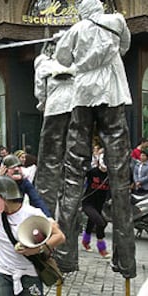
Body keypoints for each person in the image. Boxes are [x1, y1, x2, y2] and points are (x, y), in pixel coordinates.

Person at [54, 0, 136, 276]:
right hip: (113, 94)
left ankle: (65, 256)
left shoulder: (75, 30)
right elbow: (123, 48)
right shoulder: (117, 22)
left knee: (73, 172)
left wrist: (72, 46)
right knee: (121, 178)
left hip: (84, 97)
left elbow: (63, 60)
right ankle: (125, 260)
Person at [0, 176, 65, 295]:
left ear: (5, 198)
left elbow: (59, 236)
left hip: (29, 271)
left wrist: (38, 249)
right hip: (2, 270)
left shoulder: (32, 213)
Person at [33, 41, 75, 216]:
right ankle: (72, 220)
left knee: (49, 163)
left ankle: (45, 217)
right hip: (75, 109)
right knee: (73, 165)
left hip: (54, 109)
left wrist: (43, 103)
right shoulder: (76, 62)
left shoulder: (43, 62)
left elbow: (40, 89)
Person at [81, 154, 111, 258]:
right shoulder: (92, 172)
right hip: (88, 203)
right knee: (101, 223)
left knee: (91, 222)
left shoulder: (109, 175)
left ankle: (85, 241)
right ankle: (102, 248)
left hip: (100, 204)